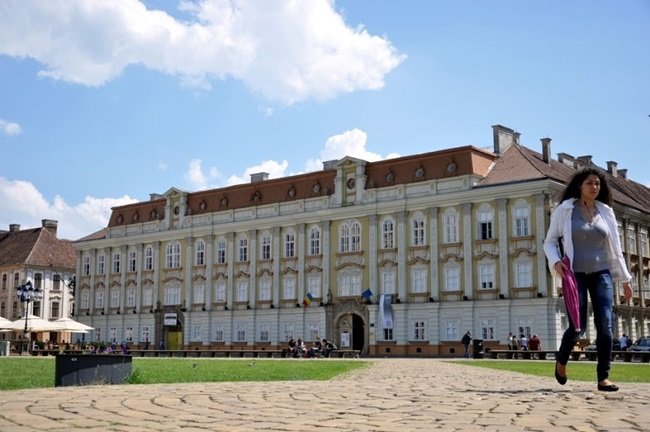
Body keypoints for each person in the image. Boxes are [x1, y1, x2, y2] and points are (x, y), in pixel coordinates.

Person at [544, 168, 633, 392]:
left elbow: (616, 249)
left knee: (605, 324)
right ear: (580, 186)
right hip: (575, 274)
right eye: (589, 183)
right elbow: (550, 241)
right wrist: (556, 261)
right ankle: (562, 360)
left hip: (602, 273)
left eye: (597, 184)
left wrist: (625, 280)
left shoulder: (606, 212)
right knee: (578, 326)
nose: (594, 187)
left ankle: (603, 377)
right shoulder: (565, 210)